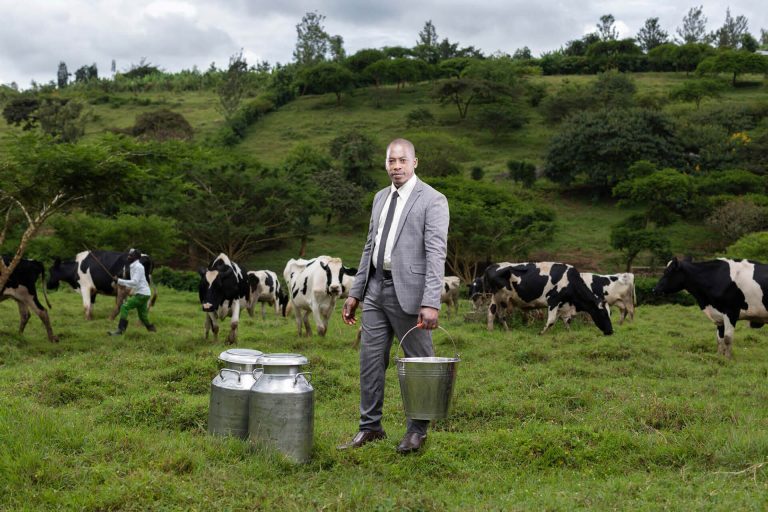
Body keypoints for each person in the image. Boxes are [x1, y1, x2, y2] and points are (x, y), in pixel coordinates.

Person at [339, 138, 449, 454]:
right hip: (374, 289)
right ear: (385, 163)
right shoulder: (379, 198)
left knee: (417, 364)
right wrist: (355, 293)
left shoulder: (433, 200)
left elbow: (435, 252)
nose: (396, 166)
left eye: (402, 160)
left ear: (415, 162)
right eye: (391, 161)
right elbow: (369, 247)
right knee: (370, 361)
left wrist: (431, 301)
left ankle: (417, 431)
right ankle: (370, 427)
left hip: (411, 295)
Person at [108, 248, 156, 336]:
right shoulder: (133, 266)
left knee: (124, 307)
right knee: (143, 316)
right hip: (143, 293)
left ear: (136, 257)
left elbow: (134, 282)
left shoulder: (138, 267)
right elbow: (134, 283)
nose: (129, 257)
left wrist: (119, 281)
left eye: (131, 255)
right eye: (129, 255)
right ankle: (152, 330)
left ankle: (120, 330)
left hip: (142, 294)